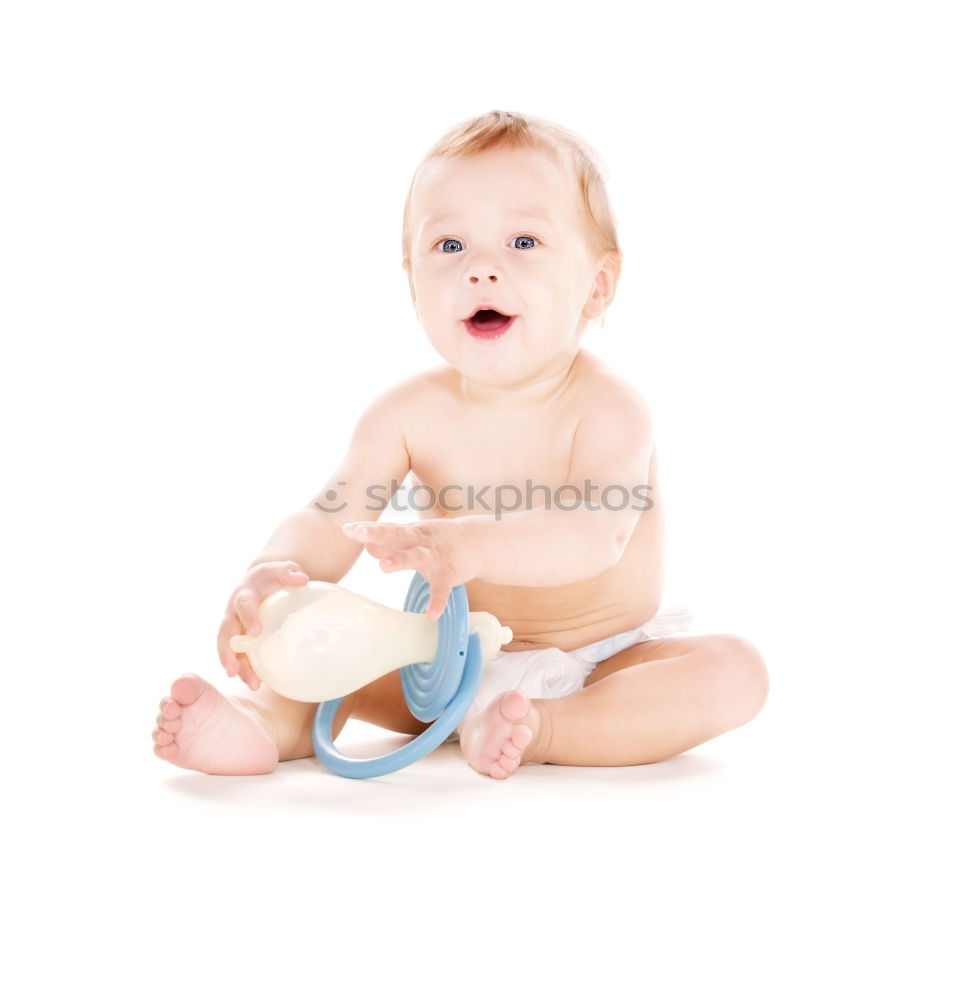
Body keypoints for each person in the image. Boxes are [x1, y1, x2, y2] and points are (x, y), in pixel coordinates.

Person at [151, 110, 769, 781]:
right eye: (450, 247)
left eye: (524, 241)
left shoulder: (610, 409)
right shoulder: (406, 414)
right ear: (413, 283)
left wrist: (469, 544)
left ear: (598, 284)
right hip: (441, 661)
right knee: (324, 641)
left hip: (603, 662)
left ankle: (545, 728)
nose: (482, 269)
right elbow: (332, 516)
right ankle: (262, 721)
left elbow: (596, 534)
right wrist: (271, 574)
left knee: (735, 671)